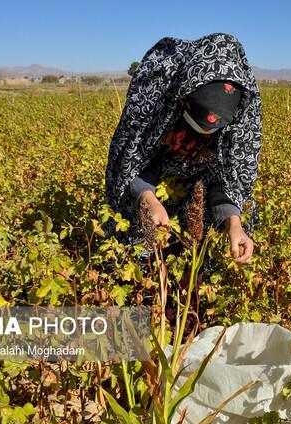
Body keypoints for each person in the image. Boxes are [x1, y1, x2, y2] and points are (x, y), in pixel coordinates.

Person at [104, 32, 262, 266]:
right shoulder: (156, 100)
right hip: (148, 190)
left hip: (201, 201)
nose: (201, 137)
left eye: (212, 131)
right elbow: (130, 163)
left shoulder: (238, 124)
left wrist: (234, 224)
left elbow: (227, 178)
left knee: (202, 261)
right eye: (195, 125)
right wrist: (149, 200)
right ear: (182, 101)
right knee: (134, 259)